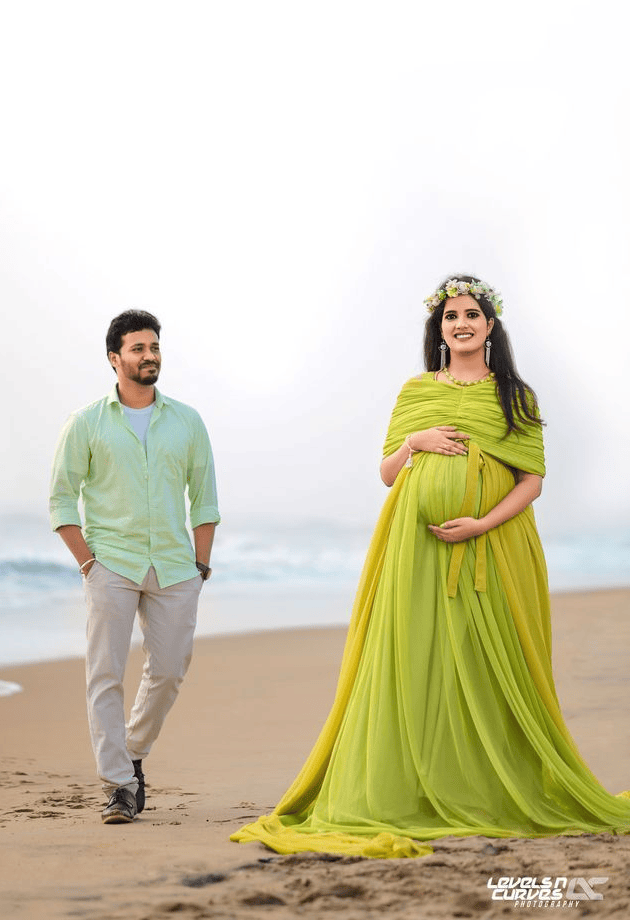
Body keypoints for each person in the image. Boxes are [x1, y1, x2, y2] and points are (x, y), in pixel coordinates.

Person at [232, 275, 630, 858]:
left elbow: (533, 481)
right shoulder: (416, 391)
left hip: (494, 547)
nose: (461, 323)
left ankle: (488, 785)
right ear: (438, 328)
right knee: (416, 657)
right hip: (412, 549)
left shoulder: (515, 395)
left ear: (490, 326)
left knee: (488, 662)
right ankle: (416, 783)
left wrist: (481, 523)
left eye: (472, 314)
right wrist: (414, 441)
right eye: (450, 316)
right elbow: (388, 474)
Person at [50, 310, 220, 824]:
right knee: (105, 675)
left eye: (154, 347)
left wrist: (201, 567)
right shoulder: (86, 423)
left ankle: (132, 752)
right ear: (114, 358)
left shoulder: (187, 421)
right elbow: (61, 502)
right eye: (138, 349)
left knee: (169, 670)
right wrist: (89, 565)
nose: (149, 356)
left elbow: (205, 500)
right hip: (112, 564)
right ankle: (120, 786)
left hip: (174, 566)